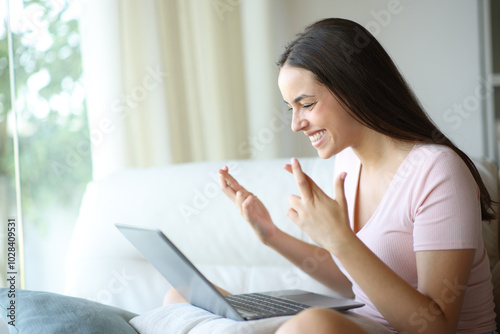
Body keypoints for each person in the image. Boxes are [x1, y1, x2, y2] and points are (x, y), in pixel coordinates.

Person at [164, 18, 497, 333]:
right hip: (363, 325)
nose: (296, 124)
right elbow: (356, 280)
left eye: (306, 104)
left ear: (354, 88)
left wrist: (340, 240)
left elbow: (436, 326)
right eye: (290, 108)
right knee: (181, 296)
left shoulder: (436, 170)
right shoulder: (348, 164)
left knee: (311, 325)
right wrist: (271, 234)